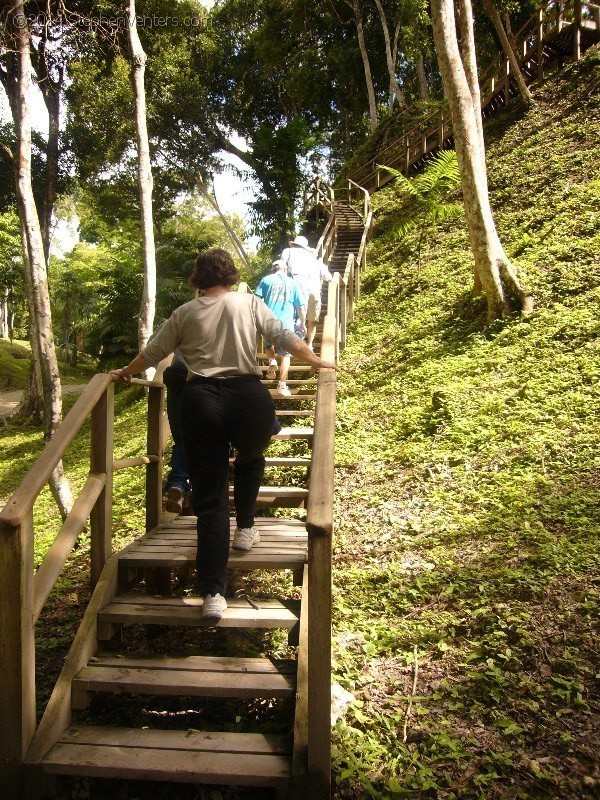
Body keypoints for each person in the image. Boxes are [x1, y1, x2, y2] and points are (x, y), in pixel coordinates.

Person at [111, 248, 336, 625]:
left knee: (211, 497)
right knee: (251, 457)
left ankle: (213, 593)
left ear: (198, 278)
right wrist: (316, 361)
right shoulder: (249, 303)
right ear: (230, 275)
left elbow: (152, 353)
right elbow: (284, 337)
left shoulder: (184, 312)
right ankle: (247, 526)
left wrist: (124, 372)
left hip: (201, 400)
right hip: (248, 397)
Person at [255, 259, 306, 397]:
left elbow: (256, 301)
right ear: (285, 269)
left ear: (273, 269)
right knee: (286, 355)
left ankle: (271, 361)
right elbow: (300, 307)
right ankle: (282, 385)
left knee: (268, 345)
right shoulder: (293, 283)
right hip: (286, 325)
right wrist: (303, 323)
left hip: (268, 320)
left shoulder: (265, 280)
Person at [280, 234, 333, 350]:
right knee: (312, 319)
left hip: (298, 286)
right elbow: (329, 278)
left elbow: (281, 268)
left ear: (294, 245)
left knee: (298, 314)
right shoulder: (315, 260)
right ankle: (309, 345)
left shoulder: (288, 252)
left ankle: (297, 344)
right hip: (315, 290)